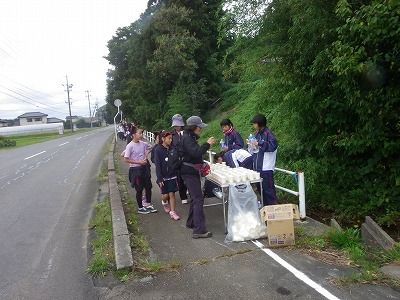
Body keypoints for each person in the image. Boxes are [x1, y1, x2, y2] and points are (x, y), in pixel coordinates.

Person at [180, 116, 216, 238]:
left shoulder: (188, 137)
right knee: (198, 198)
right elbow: (196, 152)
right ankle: (199, 230)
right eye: (199, 127)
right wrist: (207, 144)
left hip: (189, 171)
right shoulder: (187, 138)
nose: (200, 129)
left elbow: (194, 153)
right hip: (189, 172)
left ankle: (191, 222)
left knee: (195, 198)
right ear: (194, 127)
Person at [124, 126, 157, 214]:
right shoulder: (130, 146)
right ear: (134, 134)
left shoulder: (142, 143)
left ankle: (148, 204)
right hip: (135, 170)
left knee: (148, 187)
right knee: (139, 189)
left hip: (144, 168)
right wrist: (139, 162)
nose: (141, 134)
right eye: (139, 133)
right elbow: (126, 159)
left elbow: (151, 147)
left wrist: (146, 155)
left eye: (142, 133)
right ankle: (140, 207)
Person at [250, 114, 278, 206]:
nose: (253, 125)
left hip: (266, 167)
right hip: (258, 167)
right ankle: (266, 210)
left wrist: (259, 143)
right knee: (260, 190)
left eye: (255, 123)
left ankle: (273, 209)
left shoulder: (268, 134)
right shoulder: (257, 133)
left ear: (259, 124)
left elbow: (273, 146)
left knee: (268, 190)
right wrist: (251, 144)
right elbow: (255, 148)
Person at [153, 130, 180, 220]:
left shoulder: (173, 148)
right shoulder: (158, 150)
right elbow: (158, 165)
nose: (170, 140)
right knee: (165, 195)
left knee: (172, 194)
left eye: (171, 139)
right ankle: (164, 202)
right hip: (163, 177)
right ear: (163, 139)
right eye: (169, 138)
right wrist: (160, 178)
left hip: (172, 175)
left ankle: (173, 212)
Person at [171, 114, 189, 204]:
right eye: (175, 125)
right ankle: (183, 196)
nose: (177, 127)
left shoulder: (187, 133)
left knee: (189, 177)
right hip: (177, 159)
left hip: (187, 158)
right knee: (179, 178)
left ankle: (188, 190)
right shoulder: (171, 134)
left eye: (178, 125)